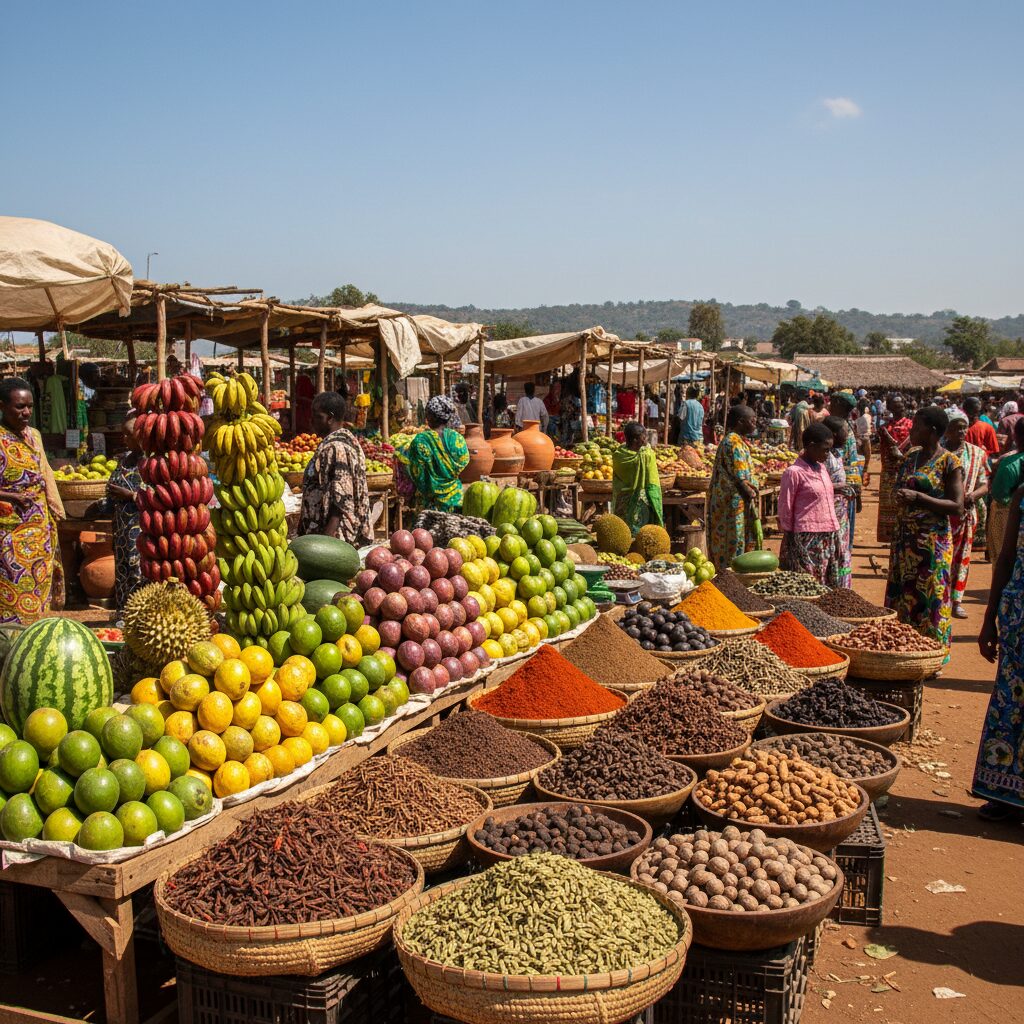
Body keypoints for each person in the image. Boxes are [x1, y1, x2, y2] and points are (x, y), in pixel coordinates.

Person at [884, 406, 964, 649]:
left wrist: (919, 498)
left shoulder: (950, 462)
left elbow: (957, 506)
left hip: (932, 543)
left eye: (917, 426)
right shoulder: (912, 456)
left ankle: (933, 652)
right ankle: (904, 649)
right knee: (903, 596)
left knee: (932, 596)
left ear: (932, 430)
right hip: (905, 542)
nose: (912, 429)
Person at [975, 480, 1024, 821]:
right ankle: (1004, 795)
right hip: (1019, 617)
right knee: (1010, 704)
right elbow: (1004, 559)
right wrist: (989, 618)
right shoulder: (1023, 494)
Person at [0, 378, 65, 624]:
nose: (26, 412)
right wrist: (10, 496)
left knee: (38, 589)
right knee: (11, 591)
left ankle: (35, 638)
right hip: (9, 532)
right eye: (19, 407)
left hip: (39, 530)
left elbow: (45, 472)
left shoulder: (34, 435)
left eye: (30, 406)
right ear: (2, 406)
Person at [298, 392, 373, 544]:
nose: (311, 420)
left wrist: (326, 543)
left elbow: (340, 501)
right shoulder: (341, 442)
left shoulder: (336, 448)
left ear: (330, 418)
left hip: (337, 539)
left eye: (317, 416)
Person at [778, 423, 843, 586]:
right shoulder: (793, 473)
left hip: (828, 533)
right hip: (806, 537)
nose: (828, 454)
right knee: (809, 582)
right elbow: (785, 507)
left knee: (827, 583)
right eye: (825, 449)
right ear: (811, 446)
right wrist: (790, 538)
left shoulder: (821, 468)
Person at [942, 410, 988, 619]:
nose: (960, 431)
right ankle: (941, 598)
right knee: (942, 557)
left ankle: (957, 600)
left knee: (962, 559)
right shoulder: (938, 452)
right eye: (955, 427)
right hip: (941, 513)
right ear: (946, 429)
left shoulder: (977, 453)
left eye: (963, 427)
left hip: (966, 515)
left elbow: (984, 484)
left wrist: (973, 496)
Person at [708, 404, 759, 572]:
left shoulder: (733, 440)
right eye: (752, 421)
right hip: (732, 503)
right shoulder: (734, 443)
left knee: (728, 541)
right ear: (740, 422)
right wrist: (752, 494)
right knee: (734, 541)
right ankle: (730, 577)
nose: (755, 424)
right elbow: (741, 479)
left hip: (727, 502)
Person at [397, 396, 470, 511]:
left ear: (430, 417)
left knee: (425, 530)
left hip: (429, 505)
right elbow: (464, 461)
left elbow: (415, 473)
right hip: (455, 501)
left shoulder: (420, 441)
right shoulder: (457, 439)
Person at [106, 413, 144, 609]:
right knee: (122, 571)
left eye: (129, 435)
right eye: (124, 434)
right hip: (121, 529)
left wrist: (130, 495)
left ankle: (138, 618)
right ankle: (122, 615)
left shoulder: (151, 463)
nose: (125, 439)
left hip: (140, 530)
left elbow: (157, 496)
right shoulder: (124, 460)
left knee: (137, 571)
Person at [612, 421, 664, 532]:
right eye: (644, 437)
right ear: (635, 440)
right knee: (639, 533)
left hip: (621, 501)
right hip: (639, 503)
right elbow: (652, 482)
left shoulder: (618, 455)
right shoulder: (646, 455)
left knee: (622, 532)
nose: (646, 440)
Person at [876, 396, 913, 544]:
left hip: (905, 469)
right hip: (888, 471)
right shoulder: (886, 426)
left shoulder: (911, 425)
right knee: (888, 502)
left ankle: (903, 534)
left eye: (900, 405)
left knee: (903, 502)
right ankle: (890, 535)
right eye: (894, 405)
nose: (898, 408)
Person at [822, 416, 854, 587]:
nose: (847, 436)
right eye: (845, 432)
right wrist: (839, 487)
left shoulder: (836, 454)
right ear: (834, 434)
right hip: (829, 516)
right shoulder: (824, 457)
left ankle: (841, 591)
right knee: (833, 554)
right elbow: (817, 484)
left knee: (841, 552)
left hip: (840, 515)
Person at [987, 418, 1024, 561]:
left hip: (1007, 518)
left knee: (1004, 559)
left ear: (1015, 436)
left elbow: (999, 494)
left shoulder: (1008, 464)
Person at [854, 400, 873, 483]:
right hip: (864, 438)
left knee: (862, 457)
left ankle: (862, 475)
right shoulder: (867, 416)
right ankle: (863, 474)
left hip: (861, 438)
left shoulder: (859, 418)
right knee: (866, 457)